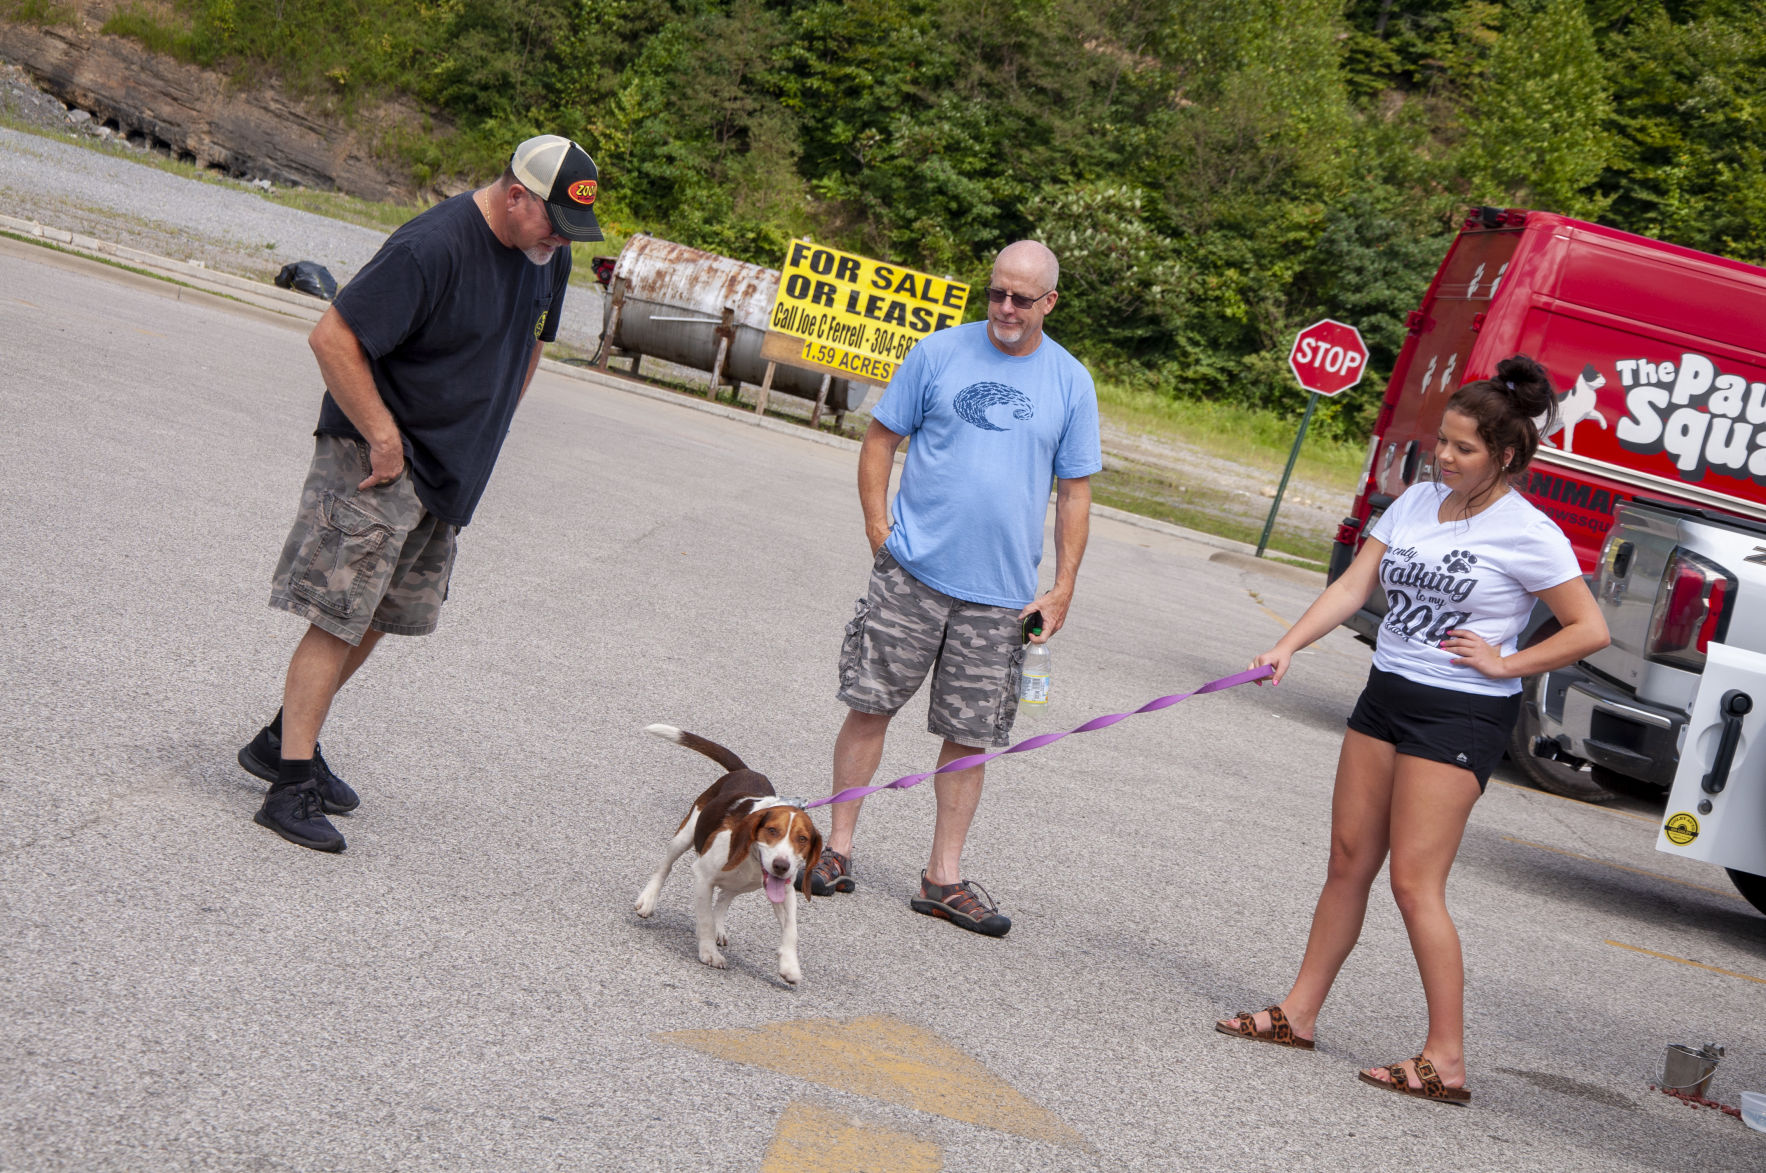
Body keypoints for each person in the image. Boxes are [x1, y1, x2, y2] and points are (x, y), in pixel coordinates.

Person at [1214, 355, 1610, 1104]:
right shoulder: (1417, 502)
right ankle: (1297, 1014)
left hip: (1458, 710)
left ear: (1505, 455)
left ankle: (1447, 1059)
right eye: (1444, 442)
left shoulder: (1529, 532)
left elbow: (1589, 628)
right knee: (1347, 860)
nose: (1445, 456)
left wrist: (1506, 662)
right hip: (1387, 694)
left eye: (1464, 448)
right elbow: (1355, 584)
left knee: (1414, 882)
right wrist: (1289, 643)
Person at [238, 134, 604, 852]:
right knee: (337, 614)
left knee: (382, 614)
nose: (562, 238)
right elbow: (332, 336)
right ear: (515, 195)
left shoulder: (547, 255)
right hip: (380, 457)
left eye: (571, 228)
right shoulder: (432, 246)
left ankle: (285, 739)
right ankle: (289, 785)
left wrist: (488, 426)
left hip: (450, 468)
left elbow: (532, 342)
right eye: (552, 220)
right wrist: (380, 435)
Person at [801, 240, 1103, 937]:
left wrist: (1061, 588)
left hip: (999, 597)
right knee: (869, 704)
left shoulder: (1070, 383)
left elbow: (1075, 493)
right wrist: (880, 529)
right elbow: (880, 440)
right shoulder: (938, 353)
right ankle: (837, 848)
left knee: (971, 736)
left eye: (1021, 299)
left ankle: (942, 876)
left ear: (1049, 303)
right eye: (997, 292)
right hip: (912, 575)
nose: (1004, 307)